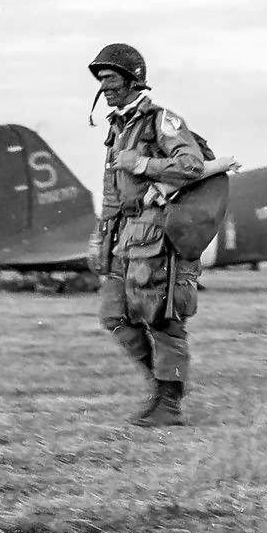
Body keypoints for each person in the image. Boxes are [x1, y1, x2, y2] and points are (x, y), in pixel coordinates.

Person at [89, 43, 209, 427]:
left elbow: (191, 165)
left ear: (132, 79)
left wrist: (142, 163)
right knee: (114, 315)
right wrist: (100, 236)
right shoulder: (118, 127)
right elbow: (112, 190)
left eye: (111, 78)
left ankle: (169, 403)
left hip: (157, 235)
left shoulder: (161, 120)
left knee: (162, 319)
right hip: (124, 235)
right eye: (101, 80)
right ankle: (158, 388)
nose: (105, 86)